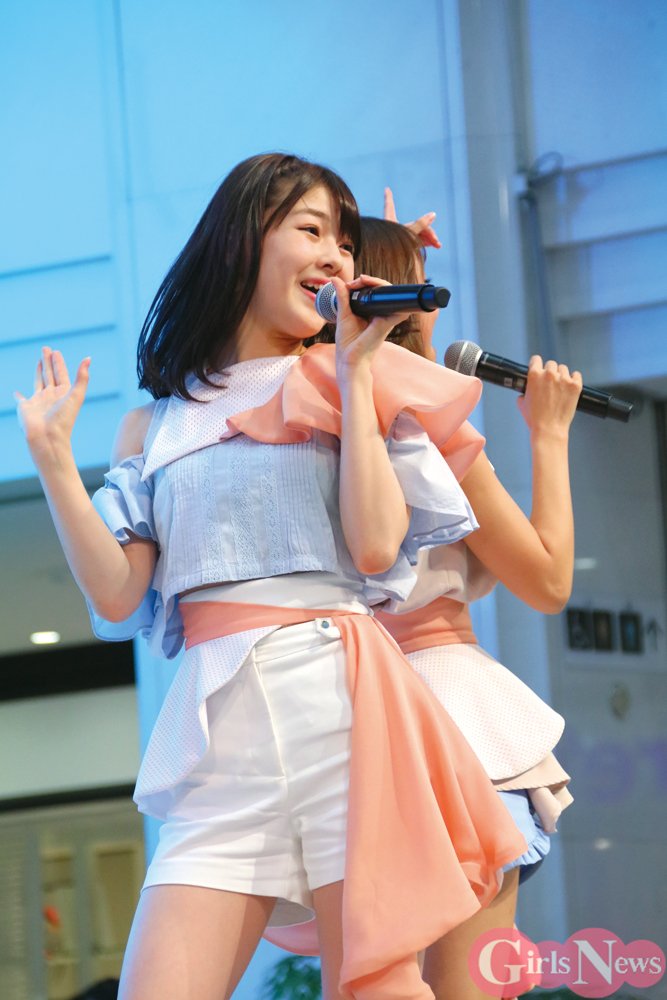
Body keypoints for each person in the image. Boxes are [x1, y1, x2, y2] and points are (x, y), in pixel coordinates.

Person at [15, 153, 528, 1000]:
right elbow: (116, 595)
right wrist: (53, 464)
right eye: (311, 229)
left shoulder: (351, 379)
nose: (334, 256)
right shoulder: (156, 423)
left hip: (343, 719)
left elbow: (375, 548)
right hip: (218, 746)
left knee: (377, 985)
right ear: (242, 240)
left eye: (344, 241)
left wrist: (356, 372)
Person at [341, 209, 581, 999]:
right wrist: (548, 434)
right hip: (449, 711)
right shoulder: (426, 427)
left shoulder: (307, 414)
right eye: (422, 285)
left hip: (344, 715)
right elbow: (546, 581)